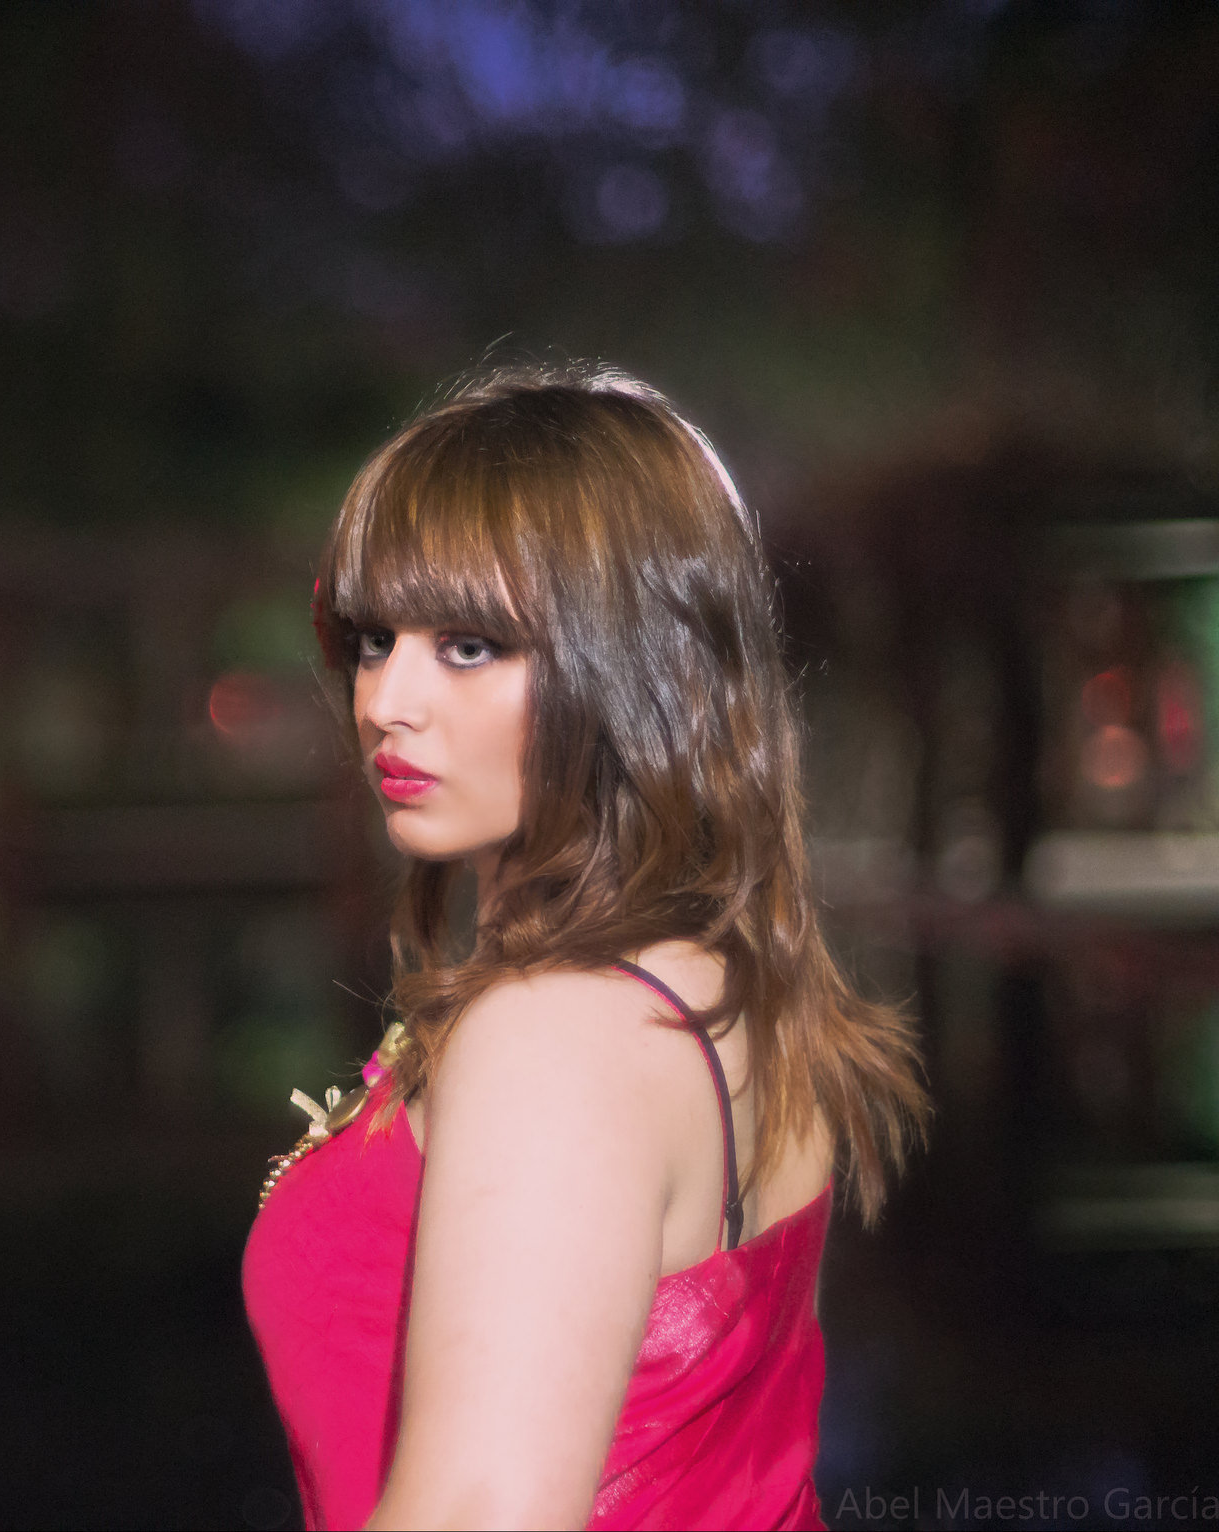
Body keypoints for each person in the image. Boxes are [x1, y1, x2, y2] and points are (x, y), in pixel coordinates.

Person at [242, 365, 929, 1530]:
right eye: (371, 638)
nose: (384, 700)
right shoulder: (715, 982)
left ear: (631, 668)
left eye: (466, 644)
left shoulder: (560, 1029)